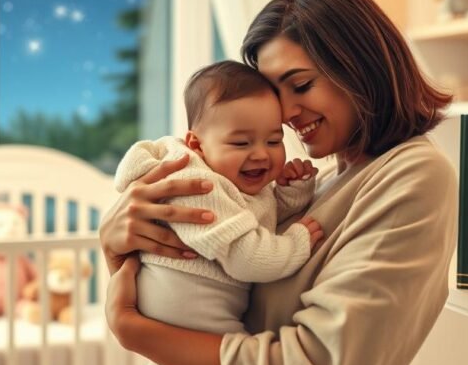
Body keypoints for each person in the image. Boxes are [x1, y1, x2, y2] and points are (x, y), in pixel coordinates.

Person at [101, 0, 457, 365]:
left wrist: (134, 330)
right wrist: (120, 244)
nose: (285, 114)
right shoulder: (321, 177)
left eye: (301, 84)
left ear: (359, 65)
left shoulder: (413, 179)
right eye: (274, 94)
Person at [113, 61, 324, 335]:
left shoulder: (232, 181)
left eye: (273, 141)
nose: (261, 154)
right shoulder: (196, 184)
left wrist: (292, 193)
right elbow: (247, 257)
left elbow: (257, 222)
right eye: (241, 143)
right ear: (197, 145)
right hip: (189, 309)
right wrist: (297, 242)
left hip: (201, 307)